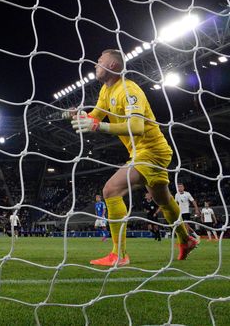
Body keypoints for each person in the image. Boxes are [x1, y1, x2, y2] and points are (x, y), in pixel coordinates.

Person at [69, 49, 198, 266]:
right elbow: (94, 117)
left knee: (110, 191)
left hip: (151, 150)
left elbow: (136, 127)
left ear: (112, 66)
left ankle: (119, 255)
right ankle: (186, 239)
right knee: (163, 200)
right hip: (142, 153)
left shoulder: (129, 90)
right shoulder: (106, 90)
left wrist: (97, 126)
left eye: (99, 61)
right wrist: (80, 116)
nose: (95, 65)